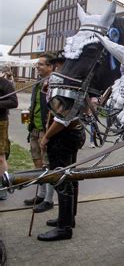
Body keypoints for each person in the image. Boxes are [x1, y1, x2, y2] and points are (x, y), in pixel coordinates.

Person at [36, 89, 85, 241]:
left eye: (43, 64)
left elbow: (63, 118)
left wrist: (46, 137)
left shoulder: (64, 85)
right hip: (70, 135)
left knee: (62, 181)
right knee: (69, 178)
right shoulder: (68, 84)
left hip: (63, 137)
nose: (38, 67)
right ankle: (68, 219)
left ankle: (64, 228)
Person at [23, 52, 55, 211]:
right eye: (38, 64)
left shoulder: (54, 83)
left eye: (41, 64)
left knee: (47, 165)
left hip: (46, 128)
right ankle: (41, 194)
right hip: (34, 128)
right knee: (37, 162)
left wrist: (49, 133)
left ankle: (49, 200)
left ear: (50, 67)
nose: (38, 66)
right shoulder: (37, 82)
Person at [0, 66, 18, 200]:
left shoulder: (5, 84)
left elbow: (13, 102)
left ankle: (3, 186)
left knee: (0, 157)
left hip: (0, 123)